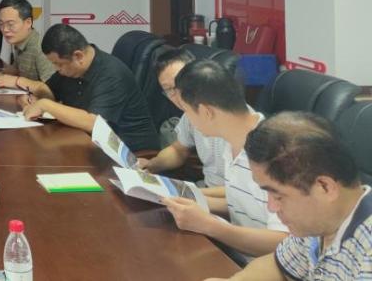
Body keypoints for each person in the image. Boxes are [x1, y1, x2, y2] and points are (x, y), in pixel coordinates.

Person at [203, 111, 371, 281]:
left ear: (324, 187)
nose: (271, 207)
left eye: (278, 196)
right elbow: (276, 265)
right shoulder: (320, 224)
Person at [162, 60, 287, 260]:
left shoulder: (274, 156)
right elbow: (241, 203)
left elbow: (285, 244)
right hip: (234, 254)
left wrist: (210, 225)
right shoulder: (232, 140)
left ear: (207, 112)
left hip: (261, 266)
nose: (188, 119)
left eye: (187, 111)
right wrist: (187, 200)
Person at [18, 23, 159, 152]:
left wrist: (45, 105)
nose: (57, 69)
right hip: (87, 141)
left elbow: (94, 123)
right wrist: (33, 100)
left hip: (130, 153)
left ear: (78, 56)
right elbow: (49, 90)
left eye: (59, 64)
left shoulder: (111, 73)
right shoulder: (71, 67)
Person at [136, 47, 227, 188]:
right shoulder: (190, 114)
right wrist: (151, 165)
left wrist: (184, 193)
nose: (177, 95)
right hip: (205, 188)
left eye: (180, 83)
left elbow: (242, 192)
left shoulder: (231, 117)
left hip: (229, 198)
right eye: (169, 89)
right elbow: (178, 150)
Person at [0, 0, 55, 90]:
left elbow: (52, 88)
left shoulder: (41, 48)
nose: (5, 29)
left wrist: (16, 81)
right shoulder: (20, 42)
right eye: (1, 24)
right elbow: (18, 71)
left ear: (28, 23)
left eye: (10, 24)